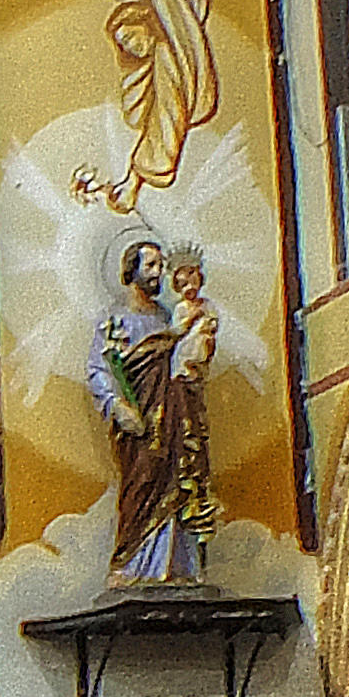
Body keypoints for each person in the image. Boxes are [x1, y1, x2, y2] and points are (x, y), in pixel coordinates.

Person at [87, 236, 214, 587]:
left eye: (160, 265)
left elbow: (183, 358)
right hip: (138, 425)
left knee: (177, 477)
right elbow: (99, 370)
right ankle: (133, 564)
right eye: (152, 265)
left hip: (172, 416)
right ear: (132, 271)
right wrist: (118, 406)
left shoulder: (166, 317)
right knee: (142, 484)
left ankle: (179, 566)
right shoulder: (115, 320)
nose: (160, 273)